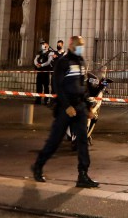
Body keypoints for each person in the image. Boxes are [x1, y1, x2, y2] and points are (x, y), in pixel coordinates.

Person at [32, 35, 99, 188]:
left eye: (83, 44)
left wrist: (88, 107)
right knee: (54, 141)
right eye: (79, 44)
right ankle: (38, 166)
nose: (81, 46)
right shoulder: (63, 62)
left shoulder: (81, 62)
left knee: (82, 141)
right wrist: (66, 105)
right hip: (65, 108)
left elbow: (83, 87)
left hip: (80, 106)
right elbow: (57, 86)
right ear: (71, 44)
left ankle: (83, 174)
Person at [33, 40, 55, 105]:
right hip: (39, 72)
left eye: (43, 44)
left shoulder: (50, 53)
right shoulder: (39, 52)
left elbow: (49, 61)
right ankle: (38, 100)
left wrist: (41, 65)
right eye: (42, 44)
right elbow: (35, 59)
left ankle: (46, 100)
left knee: (46, 87)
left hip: (45, 72)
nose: (42, 45)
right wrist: (37, 64)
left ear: (47, 45)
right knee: (38, 86)